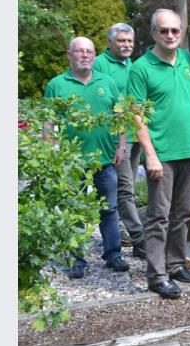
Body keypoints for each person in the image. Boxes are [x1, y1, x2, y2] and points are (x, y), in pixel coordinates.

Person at [128, 9, 190, 299]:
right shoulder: (141, 68)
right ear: (153, 34)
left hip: (189, 150)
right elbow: (136, 114)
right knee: (158, 216)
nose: (170, 35)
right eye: (164, 31)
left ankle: (175, 264)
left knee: (184, 213)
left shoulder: (187, 60)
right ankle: (157, 276)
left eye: (175, 30)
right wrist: (150, 155)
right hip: (162, 154)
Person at [44, 37, 130, 278]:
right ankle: (76, 260)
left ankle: (113, 255)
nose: (85, 55)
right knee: (74, 211)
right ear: (69, 54)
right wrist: (51, 155)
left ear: (94, 55)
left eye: (89, 51)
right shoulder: (57, 85)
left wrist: (121, 146)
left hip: (106, 159)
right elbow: (48, 123)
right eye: (80, 51)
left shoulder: (107, 82)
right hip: (72, 162)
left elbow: (120, 117)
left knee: (109, 209)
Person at [92, 23, 146, 259]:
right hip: (116, 139)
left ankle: (129, 237)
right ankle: (140, 239)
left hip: (135, 134)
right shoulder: (100, 64)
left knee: (129, 188)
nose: (126, 45)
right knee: (124, 189)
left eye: (130, 41)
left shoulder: (132, 65)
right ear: (110, 42)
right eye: (121, 41)